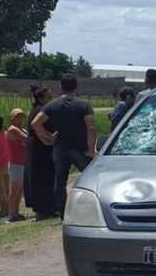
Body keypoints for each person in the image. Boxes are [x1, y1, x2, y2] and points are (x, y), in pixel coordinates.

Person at [32, 75, 97, 217]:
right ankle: (92, 207)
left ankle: (63, 212)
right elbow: (91, 128)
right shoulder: (84, 105)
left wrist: (46, 138)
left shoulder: (52, 105)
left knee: (60, 180)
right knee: (90, 176)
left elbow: (35, 124)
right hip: (79, 148)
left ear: (61, 86)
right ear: (76, 87)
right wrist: (91, 149)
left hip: (60, 147)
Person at [24, 86, 58, 220]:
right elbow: (36, 126)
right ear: (40, 98)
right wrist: (50, 139)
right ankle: (44, 209)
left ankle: (46, 208)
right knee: (42, 179)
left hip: (40, 148)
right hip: (40, 149)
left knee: (43, 178)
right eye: (49, 97)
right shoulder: (40, 111)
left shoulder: (39, 110)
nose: (52, 99)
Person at [6, 108, 29, 222]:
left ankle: (16, 212)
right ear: (12, 118)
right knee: (14, 190)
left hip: (23, 163)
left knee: (19, 191)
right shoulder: (13, 130)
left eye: (22, 116)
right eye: (18, 116)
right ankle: (11, 213)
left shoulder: (23, 129)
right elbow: (27, 139)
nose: (20, 118)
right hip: (16, 163)